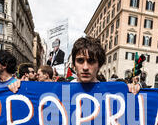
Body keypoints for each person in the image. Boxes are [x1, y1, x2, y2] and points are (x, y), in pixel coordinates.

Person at [8, 36, 140, 94]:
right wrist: (20, 88)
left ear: (99, 65)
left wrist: (133, 90)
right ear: (73, 64)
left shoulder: (115, 92)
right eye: (80, 60)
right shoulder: (59, 91)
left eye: (91, 61)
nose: (85, 67)